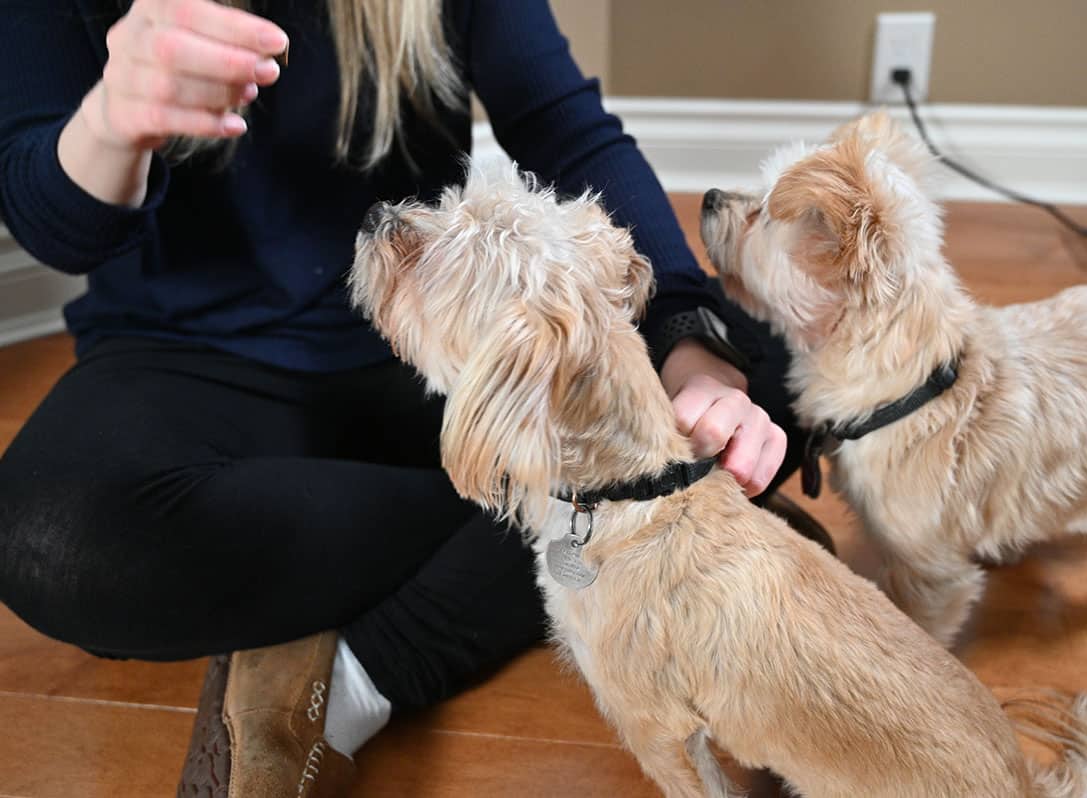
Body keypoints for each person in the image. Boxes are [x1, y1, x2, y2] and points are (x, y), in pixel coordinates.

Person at [0, 0, 831, 793]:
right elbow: (56, 226)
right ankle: (630, 524)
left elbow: (565, 130)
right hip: (183, 360)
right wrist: (113, 121)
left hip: (443, 364)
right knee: (48, 540)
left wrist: (692, 346)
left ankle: (357, 673)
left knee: (782, 365)